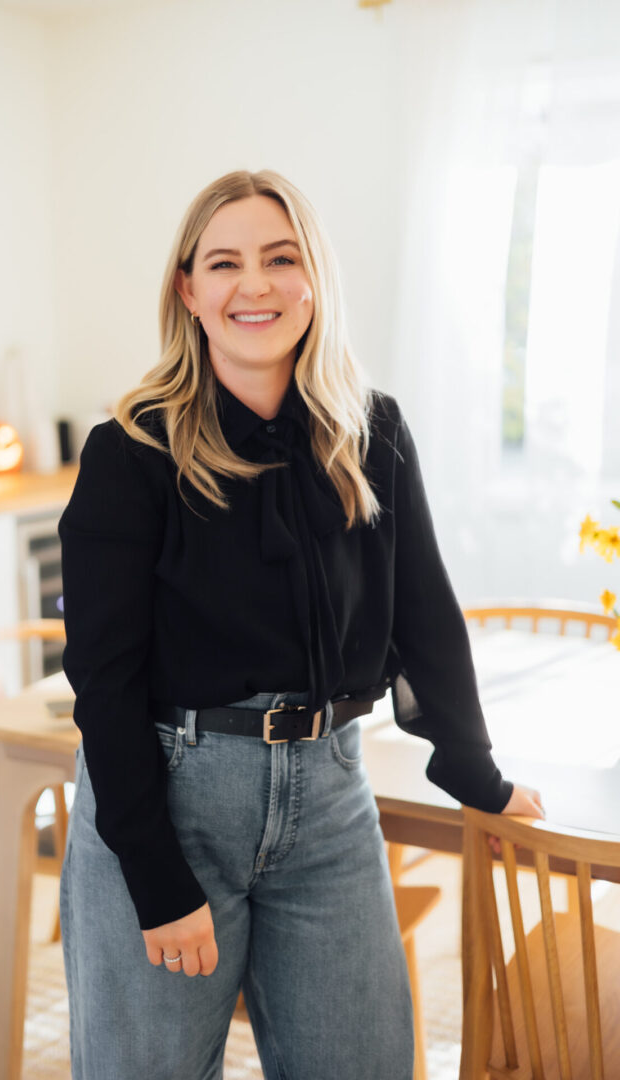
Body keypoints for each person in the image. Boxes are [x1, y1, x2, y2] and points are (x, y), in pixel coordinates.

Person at [58, 169, 543, 1080]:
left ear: (314, 280)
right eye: (225, 264)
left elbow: (425, 615)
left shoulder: (373, 432)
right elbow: (106, 683)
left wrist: (476, 770)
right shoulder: (131, 450)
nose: (256, 286)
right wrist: (156, 878)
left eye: (281, 259)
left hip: (328, 797)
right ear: (189, 291)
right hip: (171, 795)